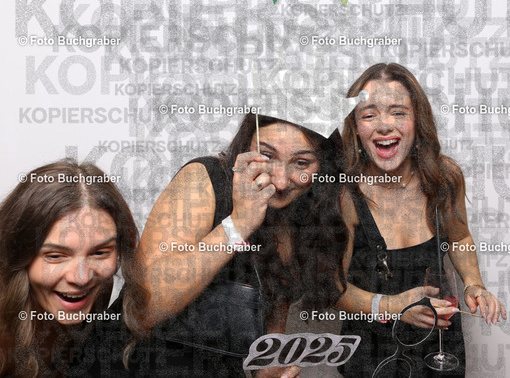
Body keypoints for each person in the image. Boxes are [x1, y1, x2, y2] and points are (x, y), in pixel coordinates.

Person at [129, 113, 349, 377]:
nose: (280, 181)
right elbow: (143, 309)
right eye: (267, 156)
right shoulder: (204, 179)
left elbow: (269, 331)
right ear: (247, 143)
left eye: (301, 163)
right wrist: (238, 224)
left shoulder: (302, 217)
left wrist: (267, 370)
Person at [336, 63, 507, 377]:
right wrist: (394, 307)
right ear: (355, 126)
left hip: (439, 346)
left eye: (398, 112)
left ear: (418, 120)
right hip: (371, 353)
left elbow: (459, 238)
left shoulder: (444, 177)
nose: (385, 125)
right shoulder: (344, 194)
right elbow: (331, 289)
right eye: (369, 115)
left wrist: (474, 284)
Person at [0, 160, 141, 377]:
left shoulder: (98, 289)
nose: (81, 278)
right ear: (17, 253)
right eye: (55, 256)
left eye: (99, 253)